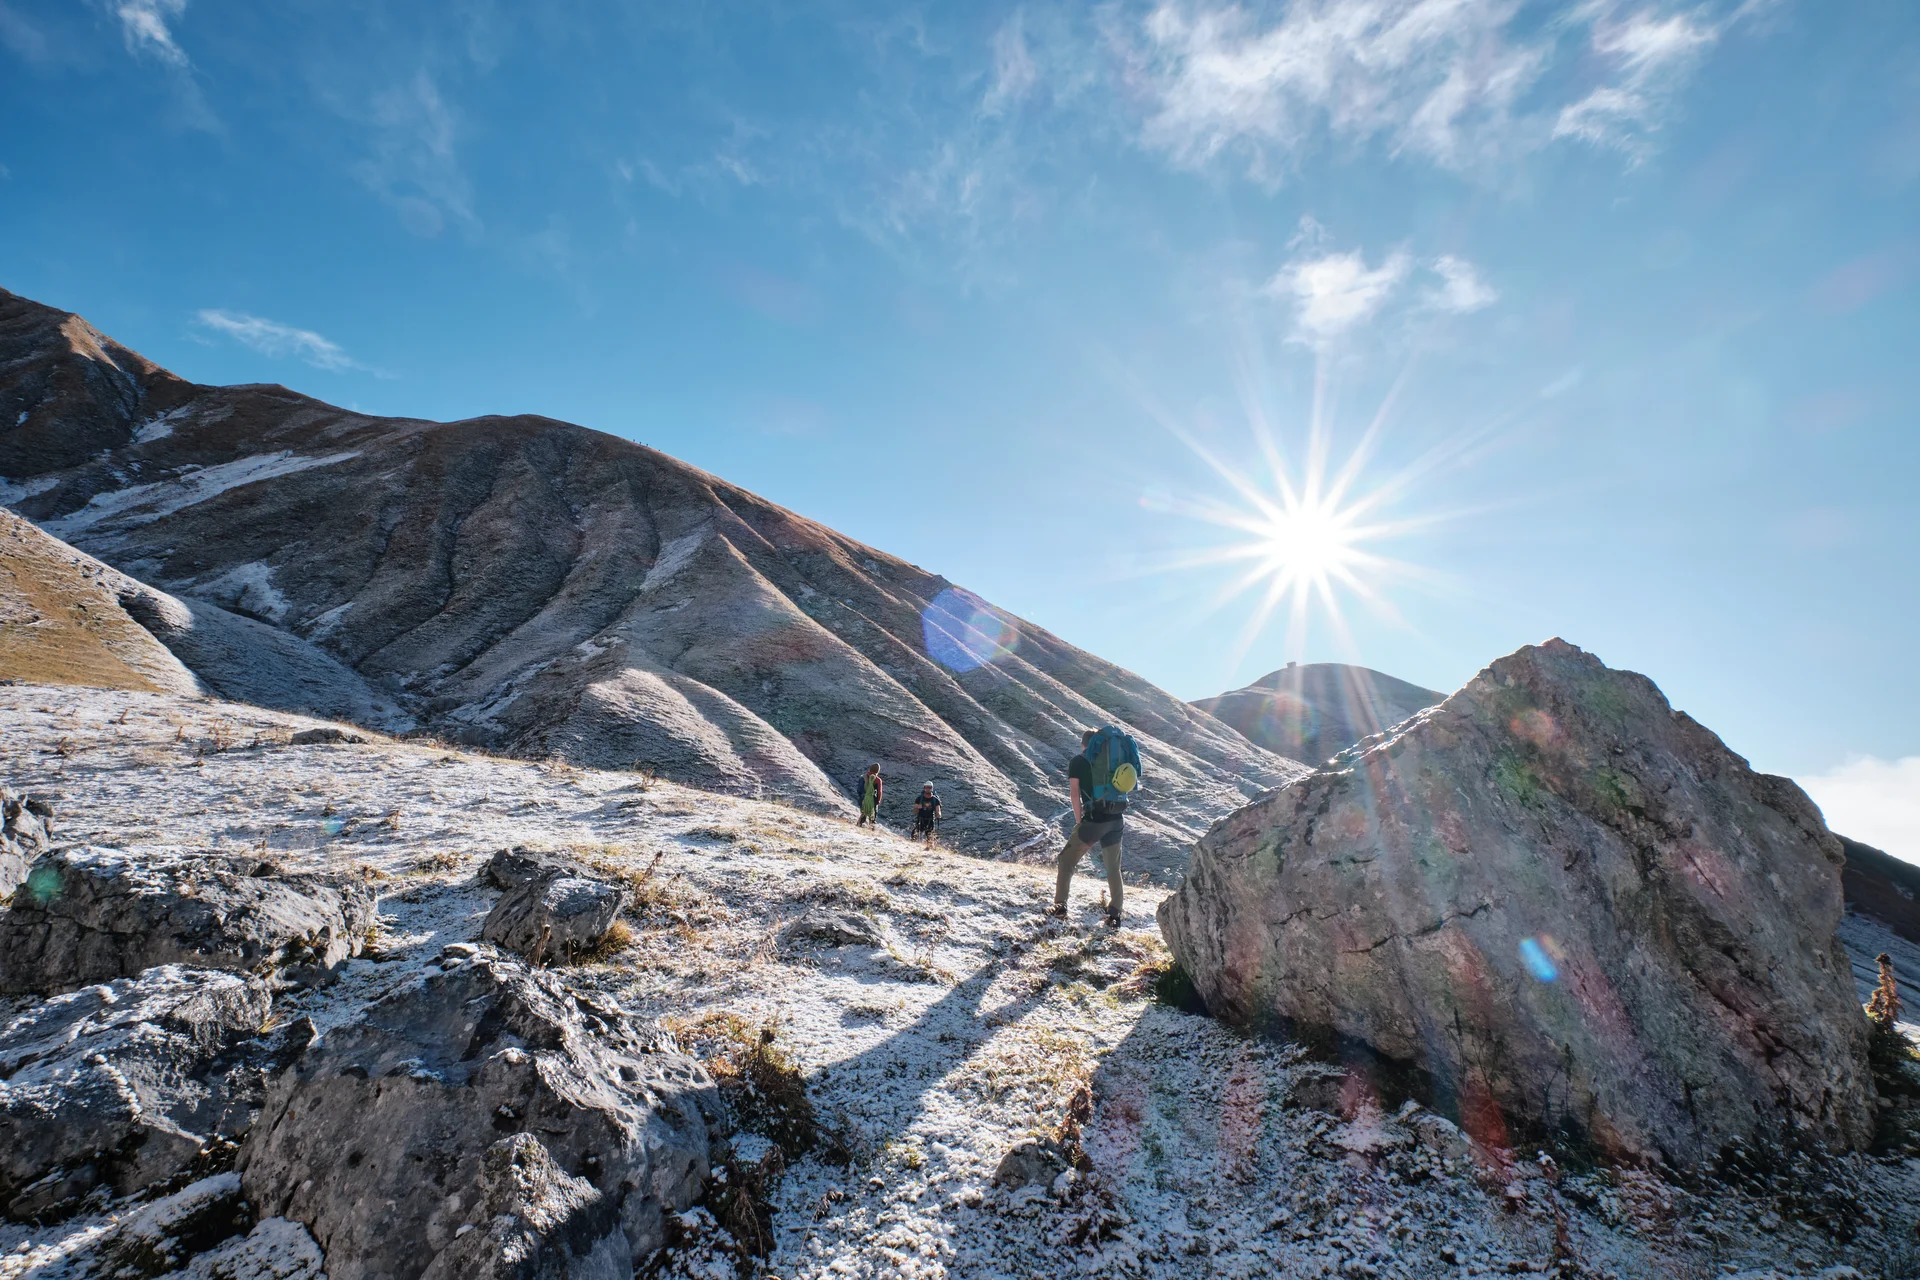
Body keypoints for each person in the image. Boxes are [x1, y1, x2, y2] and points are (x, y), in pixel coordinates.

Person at [1051, 729, 1128, 927]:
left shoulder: (1078, 761)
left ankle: (1060, 906)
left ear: (1083, 744)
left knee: (1066, 860)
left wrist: (1079, 821)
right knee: (1113, 867)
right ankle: (1115, 913)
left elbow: (1074, 795)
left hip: (1094, 821)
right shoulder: (1112, 762)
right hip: (1117, 819)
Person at [854, 764, 883, 828]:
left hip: (862, 798)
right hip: (872, 799)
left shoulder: (862, 777)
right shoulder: (878, 780)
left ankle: (858, 826)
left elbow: (859, 789)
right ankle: (871, 830)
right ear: (878, 771)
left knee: (863, 813)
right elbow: (879, 792)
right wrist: (878, 800)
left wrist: (862, 797)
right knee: (872, 815)